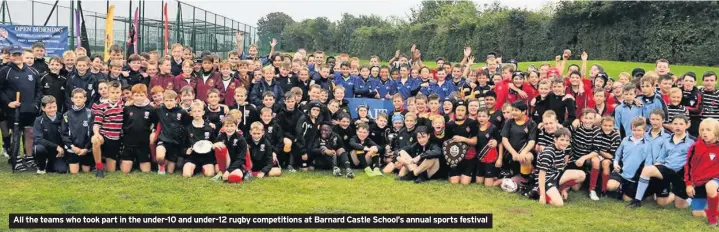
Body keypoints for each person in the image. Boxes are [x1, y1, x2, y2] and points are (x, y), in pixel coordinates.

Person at [627, 115, 694, 208]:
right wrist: (656, 165)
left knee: (680, 206)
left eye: (681, 124)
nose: (678, 126)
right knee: (647, 170)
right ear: (671, 125)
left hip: (680, 174)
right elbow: (661, 158)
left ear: (687, 125)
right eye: (675, 124)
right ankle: (637, 201)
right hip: (666, 169)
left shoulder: (692, 142)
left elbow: (694, 162)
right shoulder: (667, 141)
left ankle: (685, 198)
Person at [607, 117, 654, 201]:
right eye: (634, 130)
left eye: (639, 130)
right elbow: (617, 154)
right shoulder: (625, 140)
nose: (636, 132)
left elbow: (648, 164)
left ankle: (623, 189)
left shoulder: (648, 145)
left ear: (644, 130)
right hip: (621, 172)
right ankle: (618, 187)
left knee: (626, 199)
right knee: (610, 186)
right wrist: (615, 163)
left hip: (634, 176)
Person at [537, 128, 586, 207]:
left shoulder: (563, 150)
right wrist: (542, 195)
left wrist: (563, 189)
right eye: (562, 140)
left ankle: (559, 190)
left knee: (582, 175)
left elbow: (561, 168)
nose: (564, 143)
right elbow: (541, 175)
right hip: (546, 179)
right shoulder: (549, 152)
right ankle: (540, 192)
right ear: (555, 139)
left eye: (567, 141)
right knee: (559, 204)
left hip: (556, 176)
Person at [685, 118, 719, 225]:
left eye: (708, 130)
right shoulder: (695, 147)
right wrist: (689, 184)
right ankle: (712, 208)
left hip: (715, 180)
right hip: (699, 182)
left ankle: (712, 217)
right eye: (702, 130)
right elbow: (688, 166)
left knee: (711, 186)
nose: (705, 132)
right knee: (696, 213)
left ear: (716, 131)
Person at [121, 84, 157, 174]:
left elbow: (156, 124)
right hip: (129, 143)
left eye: (141, 95)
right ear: (132, 96)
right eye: (136, 95)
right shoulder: (127, 108)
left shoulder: (151, 110)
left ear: (146, 96)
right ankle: (128, 161)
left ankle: (138, 161)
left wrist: (153, 133)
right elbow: (122, 123)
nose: (139, 98)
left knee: (146, 171)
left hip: (143, 144)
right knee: (125, 171)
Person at [91, 81, 124, 178]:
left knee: (111, 170)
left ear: (120, 92)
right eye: (113, 93)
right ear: (108, 92)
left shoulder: (123, 105)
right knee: (95, 140)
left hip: (115, 138)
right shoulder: (101, 107)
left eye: (117, 92)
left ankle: (102, 163)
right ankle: (99, 167)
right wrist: (96, 133)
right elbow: (97, 123)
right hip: (104, 136)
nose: (115, 95)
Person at [500, 101, 537, 188]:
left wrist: (523, 153)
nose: (513, 113)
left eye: (516, 110)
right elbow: (504, 139)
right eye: (512, 110)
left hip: (526, 153)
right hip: (511, 154)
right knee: (504, 180)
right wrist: (513, 153)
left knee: (526, 157)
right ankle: (520, 180)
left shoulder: (531, 123)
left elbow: (532, 141)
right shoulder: (509, 122)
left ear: (524, 111)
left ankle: (524, 184)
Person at [566, 109, 601, 200]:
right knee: (575, 189)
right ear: (581, 118)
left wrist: (583, 158)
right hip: (575, 158)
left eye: (591, 118)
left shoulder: (597, 131)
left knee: (596, 160)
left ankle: (592, 189)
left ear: (594, 120)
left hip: (587, 159)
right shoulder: (576, 126)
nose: (588, 121)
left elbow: (596, 151)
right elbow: (564, 132)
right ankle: (585, 178)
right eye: (586, 118)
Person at [155, 90, 192, 174]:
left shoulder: (182, 112)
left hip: (176, 143)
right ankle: (161, 165)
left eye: (171, 100)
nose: (169, 103)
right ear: (163, 101)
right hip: (163, 140)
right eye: (166, 100)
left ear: (176, 100)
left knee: (170, 172)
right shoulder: (160, 110)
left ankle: (167, 163)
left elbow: (188, 124)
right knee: (160, 156)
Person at [446, 100, 479, 185]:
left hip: (468, 157)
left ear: (466, 111)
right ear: (454, 111)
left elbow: (475, 141)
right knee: (454, 182)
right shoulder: (450, 125)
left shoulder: (472, 123)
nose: (460, 112)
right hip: (454, 157)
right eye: (458, 110)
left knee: (464, 183)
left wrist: (463, 139)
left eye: (462, 110)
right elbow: (447, 143)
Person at [61, 88, 93, 174]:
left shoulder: (90, 114)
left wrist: (86, 148)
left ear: (85, 99)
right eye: (76, 97)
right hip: (73, 149)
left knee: (86, 171)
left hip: (86, 150)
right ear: (72, 99)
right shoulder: (66, 115)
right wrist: (73, 147)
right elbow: (64, 134)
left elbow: (92, 134)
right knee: (74, 172)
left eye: (81, 97)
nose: (78, 99)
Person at [183, 101, 217, 178]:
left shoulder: (209, 127)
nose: (197, 113)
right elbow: (182, 145)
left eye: (199, 111)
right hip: (192, 157)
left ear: (203, 112)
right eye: (194, 111)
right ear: (191, 113)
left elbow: (214, 142)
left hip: (206, 157)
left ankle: (202, 168)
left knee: (210, 174)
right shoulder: (187, 128)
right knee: (187, 175)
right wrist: (185, 151)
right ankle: (194, 168)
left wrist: (213, 146)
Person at [32, 96, 65, 174]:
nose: (53, 110)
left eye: (54, 107)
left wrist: (63, 149)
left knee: (62, 170)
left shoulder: (63, 117)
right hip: (46, 149)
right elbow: (38, 139)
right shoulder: (39, 120)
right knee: (39, 148)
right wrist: (56, 147)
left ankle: (50, 164)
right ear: (43, 108)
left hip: (58, 152)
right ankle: (41, 167)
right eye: (49, 108)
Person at [212, 116, 250, 183]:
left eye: (232, 126)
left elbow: (241, 159)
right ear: (223, 127)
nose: (229, 129)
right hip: (225, 164)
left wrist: (228, 171)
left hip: (237, 164)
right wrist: (213, 146)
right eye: (226, 126)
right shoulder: (220, 137)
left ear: (236, 126)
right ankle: (222, 172)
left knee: (234, 178)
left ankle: (245, 172)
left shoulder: (241, 139)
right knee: (219, 145)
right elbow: (214, 152)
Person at [594, 116, 621, 197]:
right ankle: (592, 187)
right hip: (596, 155)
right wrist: (596, 151)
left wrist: (598, 150)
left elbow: (610, 155)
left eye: (610, 126)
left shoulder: (616, 136)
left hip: (611, 159)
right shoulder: (597, 132)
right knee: (594, 160)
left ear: (613, 126)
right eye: (605, 125)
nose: (607, 128)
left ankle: (603, 189)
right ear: (601, 125)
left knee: (605, 163)